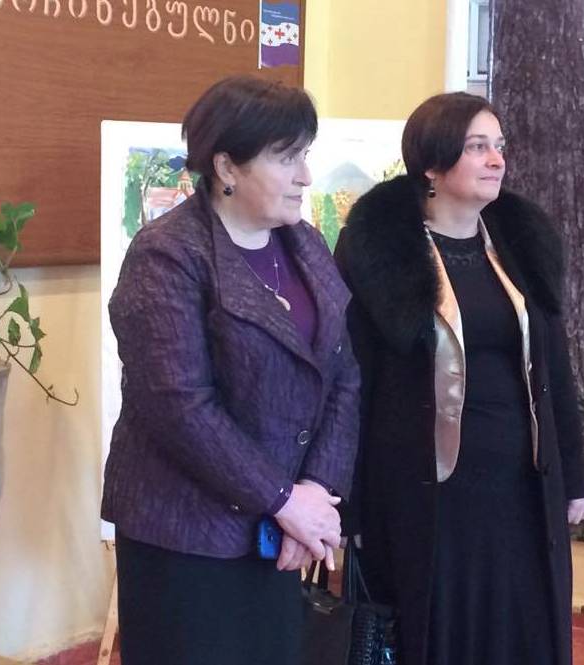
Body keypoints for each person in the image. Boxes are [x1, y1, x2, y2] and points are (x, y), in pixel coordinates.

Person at [102, 76, 359, 665]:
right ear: (227, 167)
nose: (306, 176)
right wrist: (284, 500)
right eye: (286, 157)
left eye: (306, 155)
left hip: (281, 535)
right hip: (187, 536)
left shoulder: (306, 243)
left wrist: (315, 492)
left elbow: (344, 373)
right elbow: (179, 406)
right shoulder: (167, 253)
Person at [335, 92, 584, 665]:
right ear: (432, 163)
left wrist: (572, 476)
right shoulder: (379, 252)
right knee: (436, 631)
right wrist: (350, 501)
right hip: (425, 493)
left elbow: (555, 369)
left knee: (522, 629)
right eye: (477, 147)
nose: (496, 159)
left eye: (498, 146)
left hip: (521, 486)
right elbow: (353, 385)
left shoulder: (520, 242)